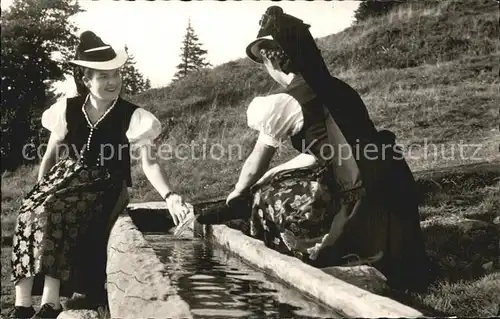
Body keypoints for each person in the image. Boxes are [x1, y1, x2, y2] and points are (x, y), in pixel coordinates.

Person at [224, 6, 431, 292]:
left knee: (265, 197)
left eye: (264, 59)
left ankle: (303, 256)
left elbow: (257, 159)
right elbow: (321, 150)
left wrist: (239, 191)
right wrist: (272, 173)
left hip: (357, 194)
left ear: (273, 61)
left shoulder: (288, 100)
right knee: (276, 181)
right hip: (388, 184)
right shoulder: (337, 88)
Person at [9, 31, 191, 319]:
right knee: (30, 210)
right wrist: (40, 188)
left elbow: (150, 163)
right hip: (66, 180)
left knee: (56, 210)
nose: (113, 81)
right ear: (86, 80)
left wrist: (169, 195)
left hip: (105, 184)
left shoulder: (132, 115)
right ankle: (21, 304)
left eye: (116, 73)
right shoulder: (67, 109)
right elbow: (51, 155)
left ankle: (51, 301)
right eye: (103, 76)